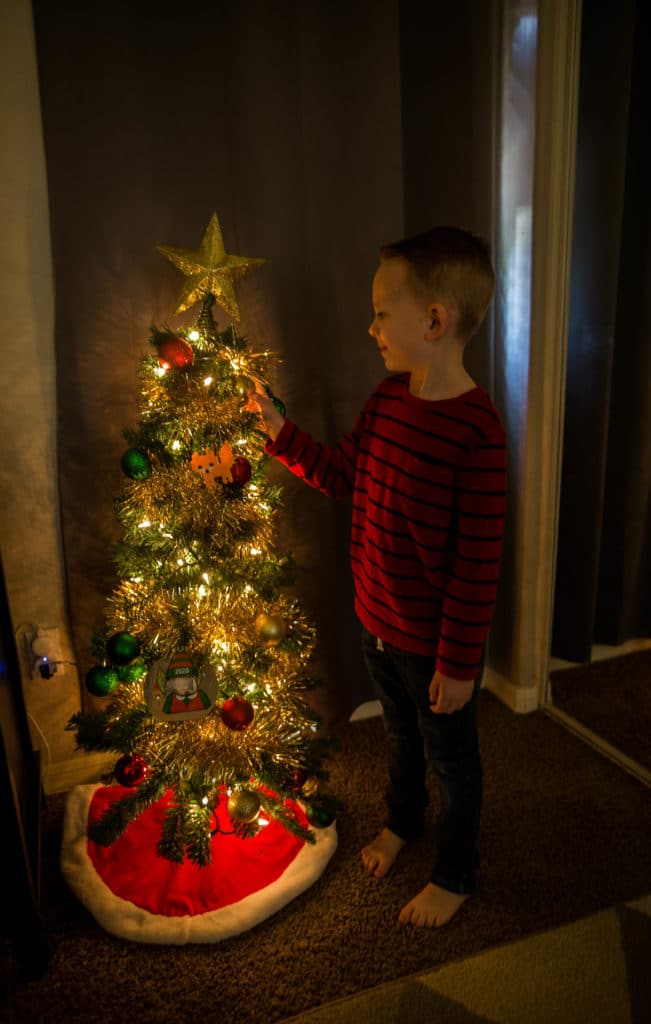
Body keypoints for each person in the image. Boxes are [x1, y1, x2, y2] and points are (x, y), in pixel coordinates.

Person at [246, 226, 506, 928]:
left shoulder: (475, 433)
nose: (370, 328)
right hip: (378, 623)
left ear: (434, 320)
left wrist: (455, 666)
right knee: (399, 738)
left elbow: (476, 566)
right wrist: (278, 431)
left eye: (381, 314)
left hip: (434, 647)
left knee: (452, 761)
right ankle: (402, 821)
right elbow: (340, 474)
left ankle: (455, 871)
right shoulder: (387, 400)